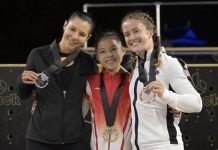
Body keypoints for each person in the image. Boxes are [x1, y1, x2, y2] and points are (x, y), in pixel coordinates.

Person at [16, 11, 97, 150]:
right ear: (65, 25)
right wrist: (22, 81)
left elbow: (96, 94)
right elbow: (23, 94)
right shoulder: (38, 55)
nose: (75, 37)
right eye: (72, 29)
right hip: (39, 139)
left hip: (76, 141)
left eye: (82, 34)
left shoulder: (88, 62)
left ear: (88, 37)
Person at [121, 10, 202, 150]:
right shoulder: (135, 67)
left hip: (165, 145)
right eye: (127, 34)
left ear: (150, 32)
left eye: (136, 31)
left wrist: (166, 94)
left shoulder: (170, 63)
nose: (131, 37)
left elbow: (196, 103)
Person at [82, 31, 132, 150]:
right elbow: (75, 114)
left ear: (123, 50)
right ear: (97, 56)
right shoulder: (89, 83)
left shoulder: (134, 82)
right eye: (102, 51)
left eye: (113, 49)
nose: (108, 55)